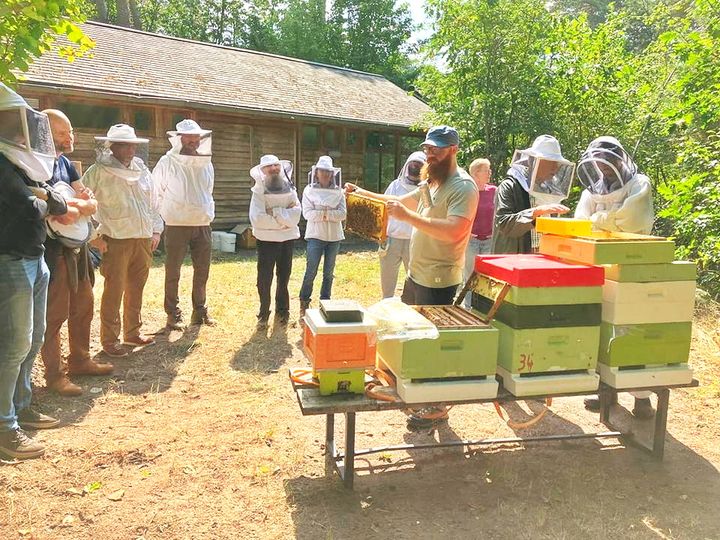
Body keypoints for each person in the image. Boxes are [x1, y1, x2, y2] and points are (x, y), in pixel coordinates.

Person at [345, 125, 478, 428]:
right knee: (412, 337)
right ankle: (418, 396)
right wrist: (361, 193)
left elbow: (455, 230)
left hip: (439, 278)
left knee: (432, 344)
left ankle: (437, 407)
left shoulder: (463, 187)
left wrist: (408, 218)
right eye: (428, 147)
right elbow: (399, 203)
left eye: (438, 148)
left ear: (454, 150)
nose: (430, 153)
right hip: (416, 273)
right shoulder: (431, 180)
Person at [0, 84, 77, 458]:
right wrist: (45, 200)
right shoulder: (2, 164)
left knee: (33, 337)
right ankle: (4, 427)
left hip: (35, 256)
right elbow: (32, 208)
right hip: (9, 258)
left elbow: (57, 200)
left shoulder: (22, 163)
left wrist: (44, 198)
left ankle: (22, 407)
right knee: (13, 344)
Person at [574, 136, 655, 419]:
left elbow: (633, 221)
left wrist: (601, 221)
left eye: (608, 162)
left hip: (634, 270)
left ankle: (642, 397)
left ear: (620, 159)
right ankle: (606, 392)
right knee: (602, 331)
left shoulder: (639, 184)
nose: (604, 169)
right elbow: (581, 224)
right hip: (601, 271)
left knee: (632, 330)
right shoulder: (591, 191)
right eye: (599, 163)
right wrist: (608, 220)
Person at [40, 109, 114, 397]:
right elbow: (57, 213)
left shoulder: (67, 165)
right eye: (61, 132)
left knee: (84, 303)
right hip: (54, 250)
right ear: (45, 132)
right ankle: (55, 375)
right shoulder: (37, 166)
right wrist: (77, 207)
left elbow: (87, 205)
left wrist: (79, 207)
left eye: (70, 131)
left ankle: (80, 360)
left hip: (79, 246)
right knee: (55, 313)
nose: (68, 137)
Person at [84, 124, 164, 358]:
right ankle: (110, 340)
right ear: (112, 147)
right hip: (115, 240)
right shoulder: (97, 171)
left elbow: (153, 203)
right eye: (124, 145)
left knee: (136, 288)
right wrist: (94, 236)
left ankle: (132, 333)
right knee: (114, 291)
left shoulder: (141, 169)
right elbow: (81, 202)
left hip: (142, 239)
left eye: (132, 145)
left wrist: (156, 231)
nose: (130, 149)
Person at [153, 119, 216, 330]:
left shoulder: (206, 163)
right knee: (173, 272)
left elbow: (208, 191)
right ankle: (173, 314)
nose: (193, 141)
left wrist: (206, 211)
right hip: (177, 225)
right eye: (189, 137)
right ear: (179, 138)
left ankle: (200, 311)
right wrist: (169, 213)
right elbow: (155, 193)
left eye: (196, 137)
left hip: (202, 224)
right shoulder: (166, 162)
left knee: (202, 271)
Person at [492, 135, 572, 254]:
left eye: (557, 163)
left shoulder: (549, 191)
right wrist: (536, 212)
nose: (555, 168)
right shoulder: (509, 186)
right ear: (533, 161)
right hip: (514, 260)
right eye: (551, 162)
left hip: (544, 257)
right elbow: (504, 223)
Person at [248, 154, 301, 327]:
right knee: (264, 278)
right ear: (262, 171)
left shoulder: (291, 189)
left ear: (281, 168)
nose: (273, 169)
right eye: (269, 167)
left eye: (276, 166)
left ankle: (283, 311)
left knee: (284, 276)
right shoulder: (258, 191)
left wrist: (275, 212)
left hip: (287, 240)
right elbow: (257, 219)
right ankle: (263, 314)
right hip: (266, 241)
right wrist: (284, 221)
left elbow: (296, 216)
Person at [299, 156, 346, 317]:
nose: (325, 174)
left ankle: (325, 303)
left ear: (332, 174)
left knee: (328, 272)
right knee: (311, 271)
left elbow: (342, 214)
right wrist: (329, 212)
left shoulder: (339, 191)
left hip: (334, 237)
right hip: (315, 236)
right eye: (322, 171)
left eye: (327, 171)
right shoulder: (308, 190)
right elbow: (307, 214)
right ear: (316, 173)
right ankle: (304, 302)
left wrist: (321, 211)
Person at [462, 158, 496, 307]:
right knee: (469, 276)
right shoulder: (466, 191)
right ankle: (468, 309)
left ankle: (483, 308)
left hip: (489, 241)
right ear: (476, 173)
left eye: (490, 170)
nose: (490, 173)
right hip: (471, 241)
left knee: (488, 276)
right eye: (486, 170)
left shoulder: (494, 191)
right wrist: (465, 232)